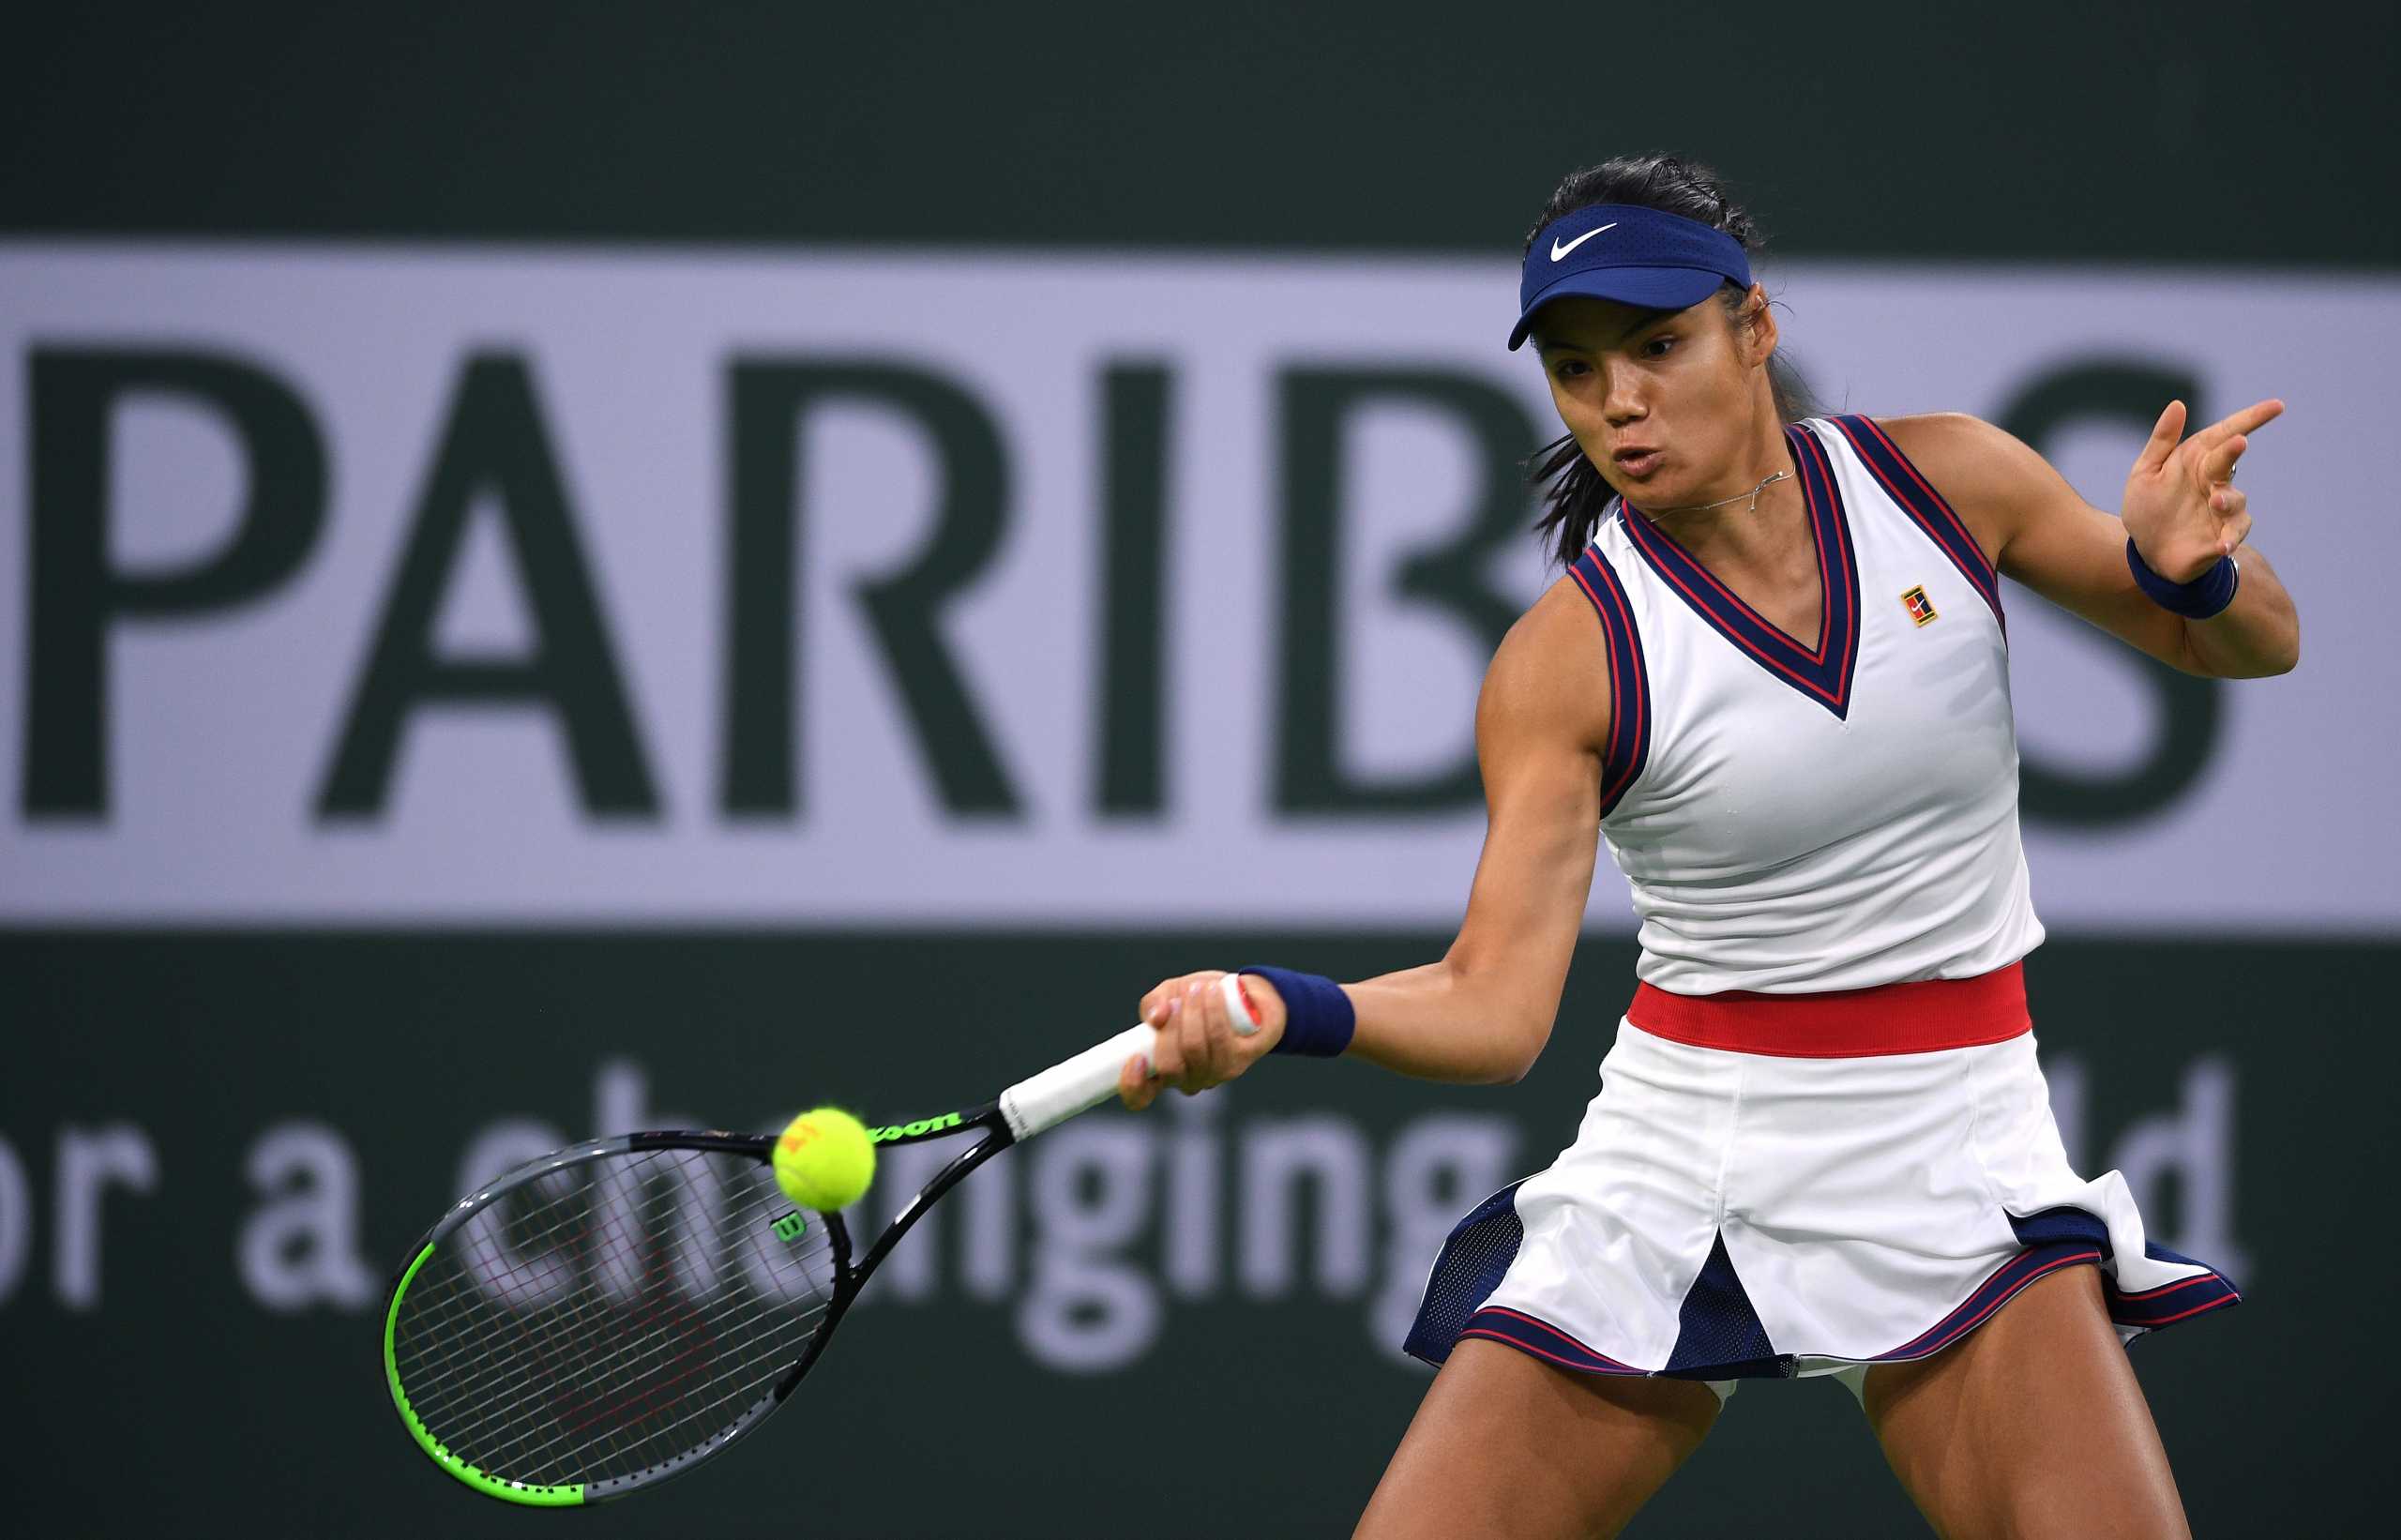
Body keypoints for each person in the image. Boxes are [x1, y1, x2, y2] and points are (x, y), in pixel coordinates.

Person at [1112, 153, 2298, 1539]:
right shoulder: (1568, 659)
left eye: (1658, 345)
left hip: (1961, 1147)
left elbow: (2253, 646)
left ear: (1756, 328)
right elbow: (1495, 1007)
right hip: (1687, 1163)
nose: (1619, 400)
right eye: (1575, 368)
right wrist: (1287, 1010)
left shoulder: (1952, 484)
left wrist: (2191, 569)